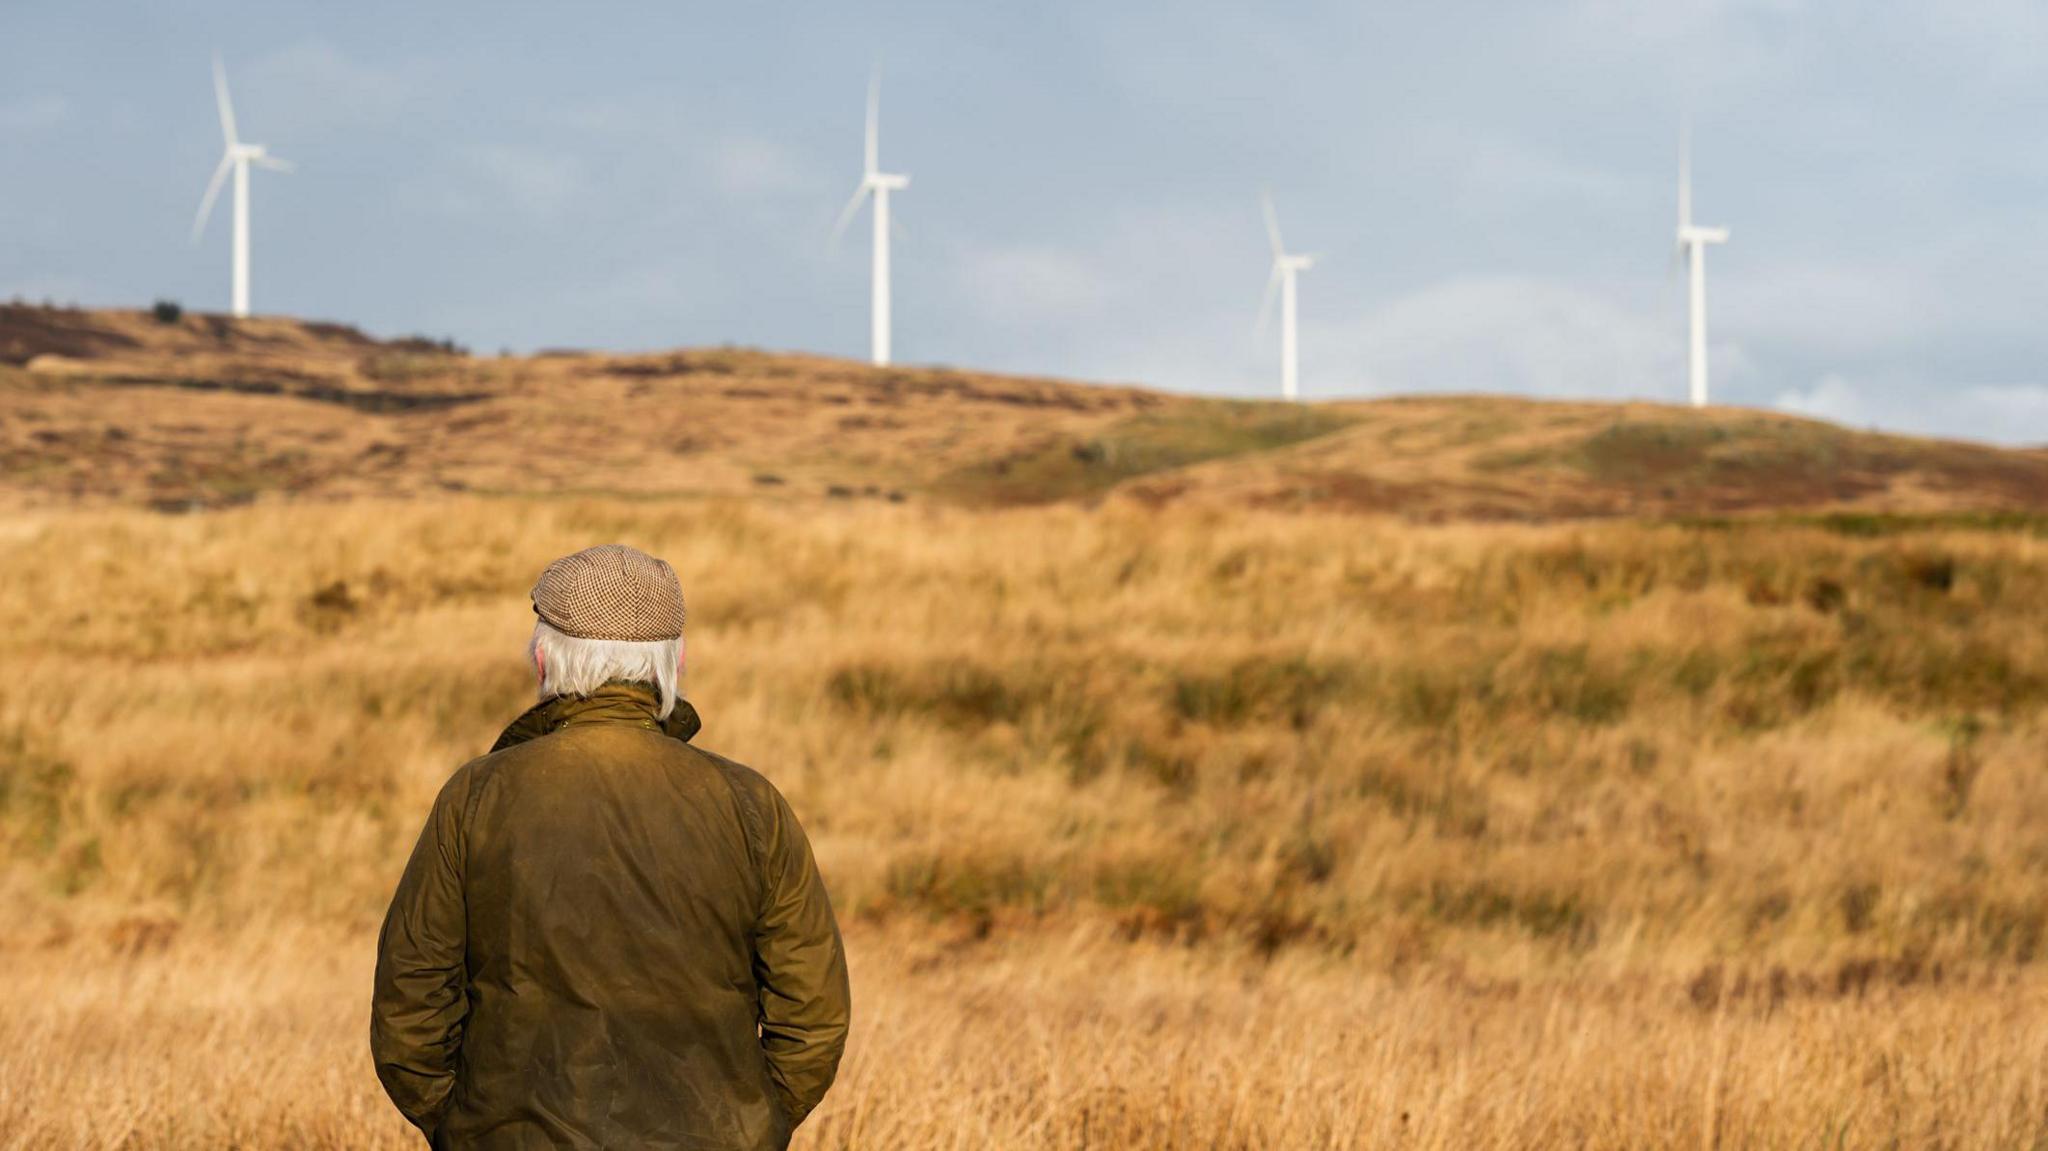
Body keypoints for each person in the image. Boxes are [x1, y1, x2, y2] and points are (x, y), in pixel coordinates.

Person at [371, 544, 850, 1150]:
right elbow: (813, 1014)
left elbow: (410, 1001)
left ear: (544, 657)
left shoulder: (478, 795)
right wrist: (750, 1124)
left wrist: (466, 1126)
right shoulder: (749, 803)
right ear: (671, 663)